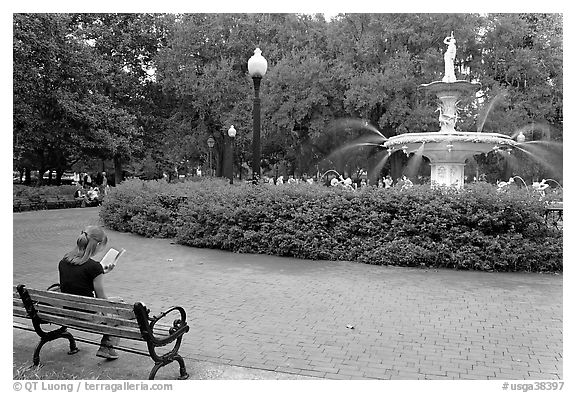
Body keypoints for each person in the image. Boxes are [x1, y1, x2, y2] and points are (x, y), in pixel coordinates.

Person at [58, 226, 120, 359]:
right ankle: (106, 347)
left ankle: (107, 347)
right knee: (119, 311)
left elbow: (77, 282)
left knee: (117, 303)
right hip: (87, 315)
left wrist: (101, 272)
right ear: (97, 245)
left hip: (67, 311)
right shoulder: (94, 267)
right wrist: (111, 313)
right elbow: (101, 299)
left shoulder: (64, 261)